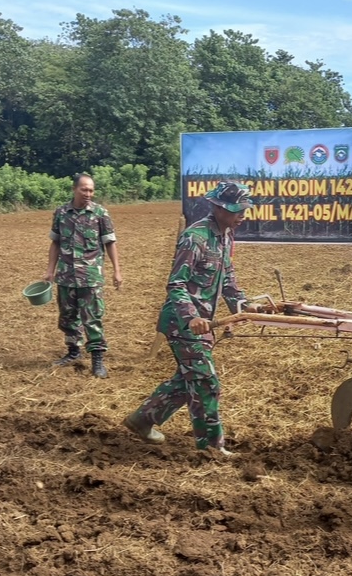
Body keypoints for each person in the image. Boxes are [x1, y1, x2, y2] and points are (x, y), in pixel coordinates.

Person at [124, 180, 255, 456]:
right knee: (206, 381)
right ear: (218, 208)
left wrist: (244, 306)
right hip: (182, 322)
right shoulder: (195, 237)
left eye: (245, 209)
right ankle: (211, 448)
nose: (242, 215)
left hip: (203, 323)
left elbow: (227, 279)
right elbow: (176, 284)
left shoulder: (225, 235)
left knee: (190, 378)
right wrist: (192, 316)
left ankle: (143, 419)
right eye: (237, 210)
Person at [44, 173, 122, 378]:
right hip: (66, 275)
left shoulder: (100, 213)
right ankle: (73, 352)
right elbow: (55, 242)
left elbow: (110, 243)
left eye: (91, 190)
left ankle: (97, 359)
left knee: (92, 317)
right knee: (67, 316)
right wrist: (50, 270)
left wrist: (117, 270)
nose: (88, 194)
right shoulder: (61, 213)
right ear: (74, 189)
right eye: (84, 189)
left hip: (90, 276)